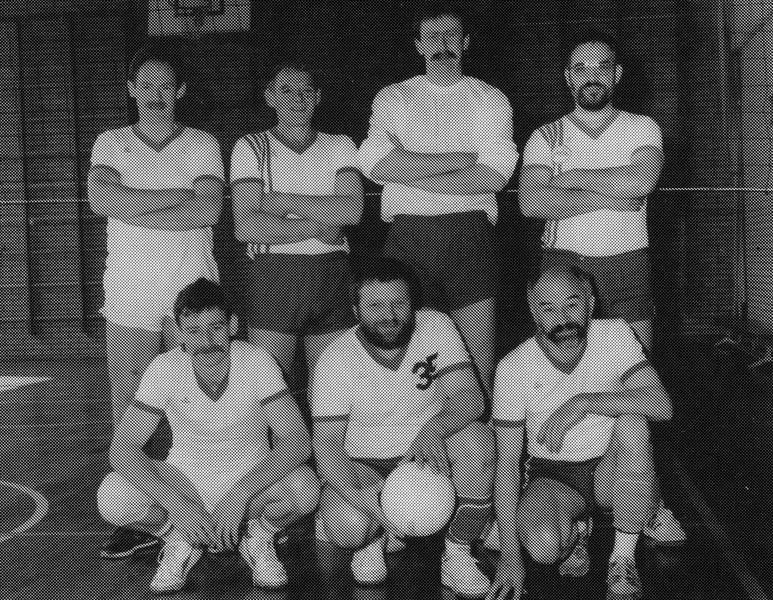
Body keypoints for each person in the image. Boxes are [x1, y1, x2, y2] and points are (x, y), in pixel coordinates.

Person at [517, 30, 685, 546]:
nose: (591, 76)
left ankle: (645, 503)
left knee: (634, 387)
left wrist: (567, 181)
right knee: (561, 377)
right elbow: (531, 203)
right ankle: (568, 499)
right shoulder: (545, 135)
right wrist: (611, 188)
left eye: (601, 66)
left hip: (627, 264)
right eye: (581, 67)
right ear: (568, 77)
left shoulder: (642, 127)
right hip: (563, 263)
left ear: (617, 74)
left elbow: (640, 185)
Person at [88, 41, 225, 559]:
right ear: (131, 89)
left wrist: (132, 205)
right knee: (130, 413)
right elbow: (101, 198)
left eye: (165, 85)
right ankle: (148, 518)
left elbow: (207, 211)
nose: (155, 94)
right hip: (129, 299)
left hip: (191, 299)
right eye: (145, 85)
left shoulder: (202, 144)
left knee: (194, 407)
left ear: (181, 91)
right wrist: (178, 198)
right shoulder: (110, 142)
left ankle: (210, 507)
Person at [96, 278, 320, 593]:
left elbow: (297, 441)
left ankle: (259, 534)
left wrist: (240, 494)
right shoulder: (165, 368)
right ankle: (177, 537)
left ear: (232, 325)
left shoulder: (257, 361)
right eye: (193, 331)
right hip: (186, 483)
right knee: (112, 496)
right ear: (179, 334)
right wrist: (176, 504)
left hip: (250, 481)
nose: (206, 341)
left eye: (215, 328)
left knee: (305, 488)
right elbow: (122, 448)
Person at [357, 2, 518, 398]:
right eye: (432, 37)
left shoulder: (490, 99)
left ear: (465, 42)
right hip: (408, 234)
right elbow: (376, 166)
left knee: (477, 359)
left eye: (450, 36)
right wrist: (459, 160)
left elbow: (493, 177)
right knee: (411, 354)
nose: (441, 45)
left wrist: (410, 168)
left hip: (469, 234)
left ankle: (480, 435)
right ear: (418, 45)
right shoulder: (393, 98)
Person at [311, 258, 495, 599]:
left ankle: (458, 552)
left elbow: (471, 397)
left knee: (478, 442)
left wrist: (434, 429)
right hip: (367, 465)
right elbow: (326, 444)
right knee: (349, 527)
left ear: (413, 303)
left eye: (398, 303)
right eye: (375, 306)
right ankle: (370, 539)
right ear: (356, 310)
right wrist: (360, 499)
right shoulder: (336, 358)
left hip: (428, 452)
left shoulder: (435, 326)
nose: (389, 315)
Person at [487, 266, 673, 600]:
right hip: (554, 475)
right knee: (544, 548)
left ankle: (623, 557)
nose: (562, 319)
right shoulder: (513, 367)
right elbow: (508, 464)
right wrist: (510, 556)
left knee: (633, 423)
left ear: (590, 301)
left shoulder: (615, 334)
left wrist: (584, 402)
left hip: (611, 467)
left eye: (572, 304)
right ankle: (581, 529)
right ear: (533, 310)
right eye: (548, 308)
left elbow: (662, 405)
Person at [230, 60, 364, 387]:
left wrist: (283, 202)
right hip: (274, 274)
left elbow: (351, 211)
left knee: (333, 387)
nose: (298, 99)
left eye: (306, 91)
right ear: (270, 96)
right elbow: (246, 226)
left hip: (330, 273)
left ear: (317, 97)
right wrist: (319, 225)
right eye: (287, 90)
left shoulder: (340, 145)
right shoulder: (251, 146)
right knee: (271, 387)